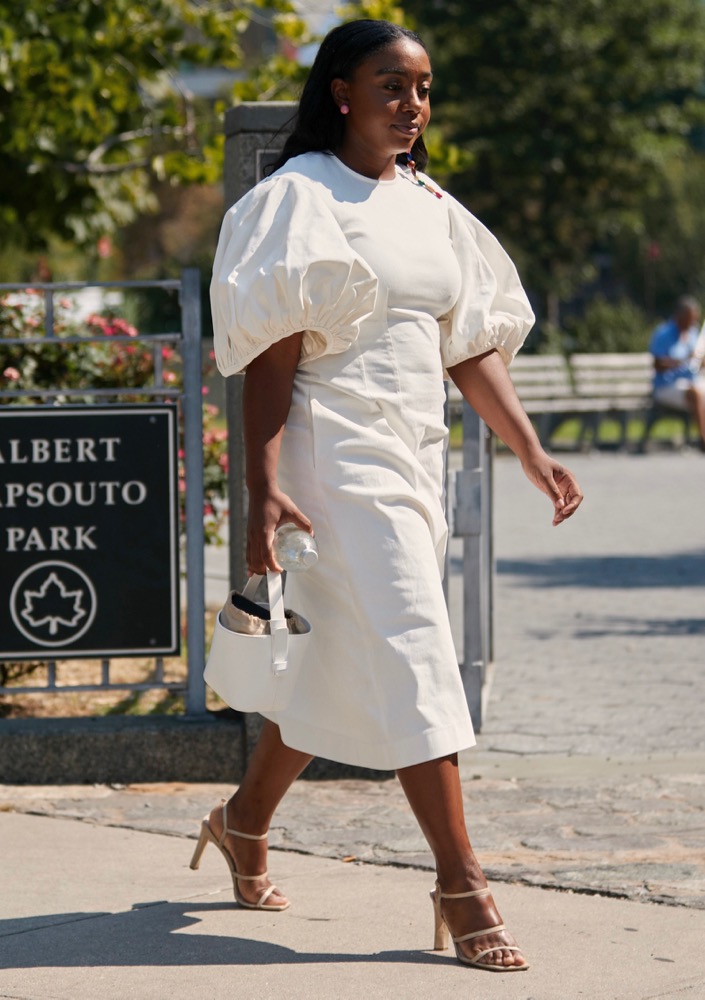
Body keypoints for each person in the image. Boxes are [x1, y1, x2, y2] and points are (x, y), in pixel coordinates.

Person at [198, 18, 583, 973]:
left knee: (340, 657)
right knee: (416, 648)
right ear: (340, 91)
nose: (411, 106)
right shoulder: (299, 199)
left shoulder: (426, 201)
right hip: (335, 456)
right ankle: (462, 884)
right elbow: (271, 364)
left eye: (420, 89)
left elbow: (465, 343)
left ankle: (244, 822)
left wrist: (528, 448)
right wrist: (263, 491)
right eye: (390, 86)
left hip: (415, 458)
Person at [649, 296, 705, 449]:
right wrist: (682, 360)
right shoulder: (663, 333)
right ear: (679, 316)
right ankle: (703, 439)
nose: (692, 322)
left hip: (691, 381)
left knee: (697, 390)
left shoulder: (693, 333)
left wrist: (701, 361)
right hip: (666, 385)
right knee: (696, 393)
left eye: (694, 319)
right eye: (690, 319)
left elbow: (697, 364)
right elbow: (657, 364)